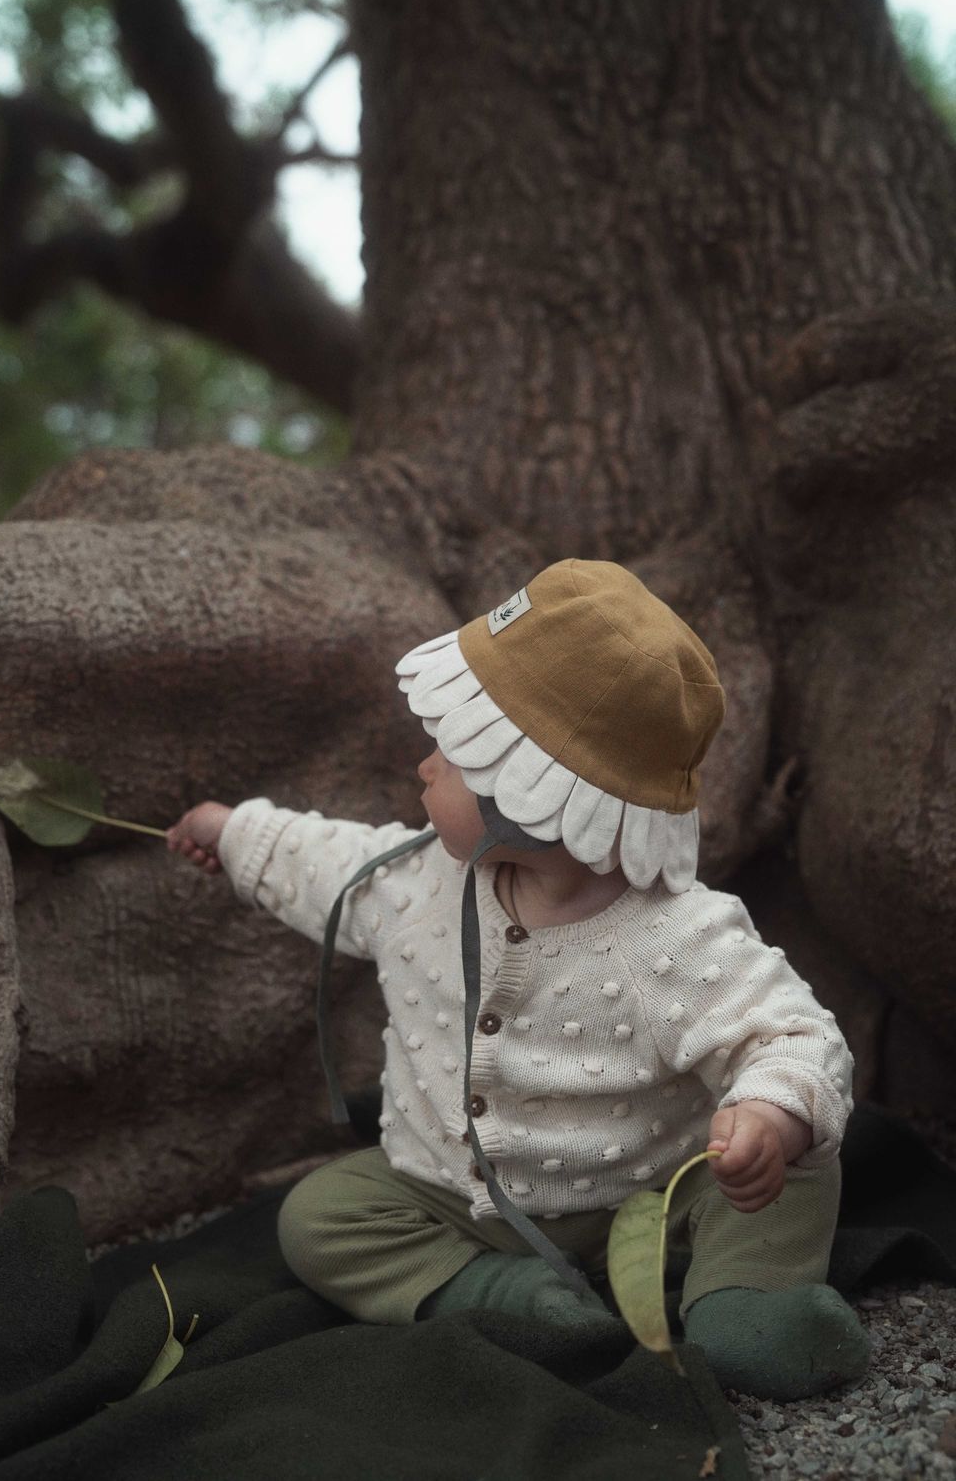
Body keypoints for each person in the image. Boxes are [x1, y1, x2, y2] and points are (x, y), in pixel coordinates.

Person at [166, 558, 871, 1401]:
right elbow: (328, 862)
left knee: (793, 1167)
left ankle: (748, 1308)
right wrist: (233, 833)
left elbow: (793, 1035)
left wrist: (767, 1115)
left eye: (452, 753)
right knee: (321, 1218)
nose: (424, 767)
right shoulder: (418, 882)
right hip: (457, 1204)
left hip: (658, 1199)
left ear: (530, 797)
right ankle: (495, 1292)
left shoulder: (675, 936)